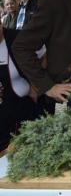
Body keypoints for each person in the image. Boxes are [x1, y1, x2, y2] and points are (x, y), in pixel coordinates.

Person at [0, 23, 40, 152]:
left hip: (20, 108)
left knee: (21, 150)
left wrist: (35, 86)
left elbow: (44, 55)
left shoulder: (17, 37)